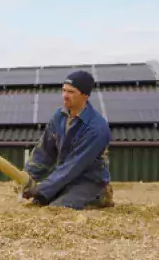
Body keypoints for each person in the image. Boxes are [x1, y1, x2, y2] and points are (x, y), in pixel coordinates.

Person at [21, 69, 114, 209]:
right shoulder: (59, 116)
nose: (65, 95)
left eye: (71, 92)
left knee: (57, 209)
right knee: (37, 204)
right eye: (64, 90)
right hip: (65, 180)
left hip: (89, 182)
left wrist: (41, 189)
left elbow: (74, 166)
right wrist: (27, 177)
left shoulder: (97, 128)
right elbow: (44, 152)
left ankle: (102, 195)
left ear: (85, 95)